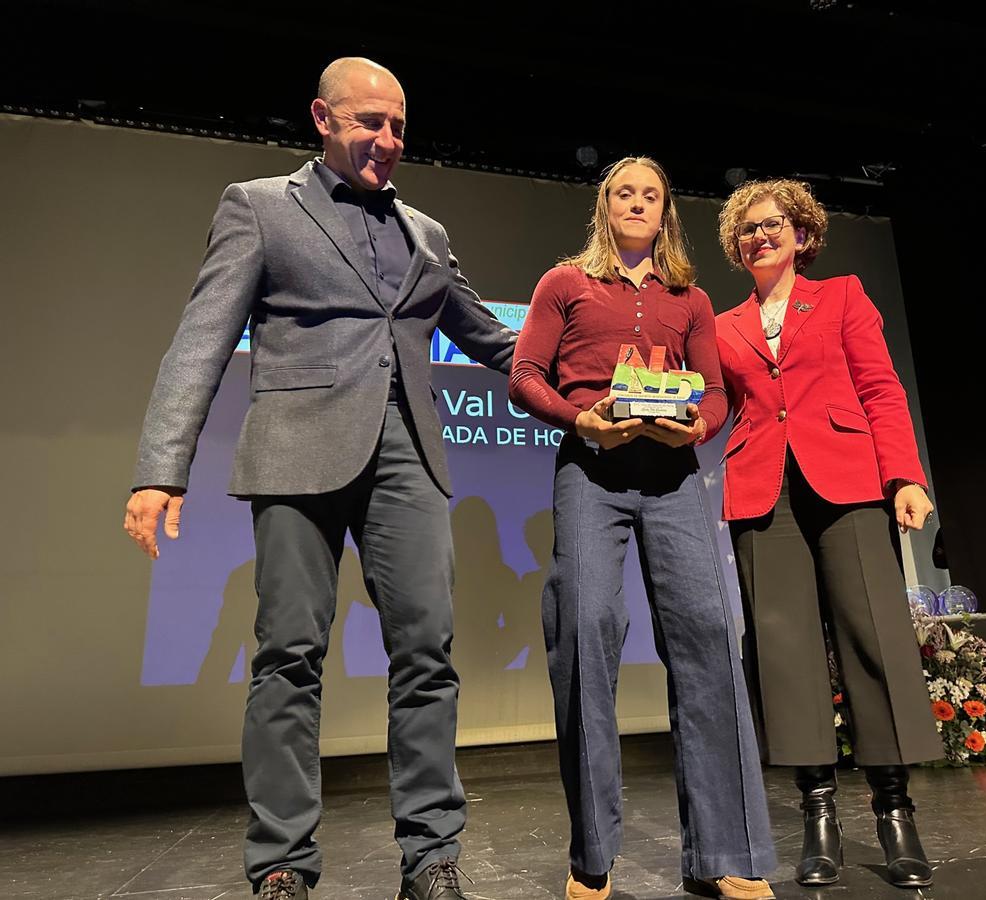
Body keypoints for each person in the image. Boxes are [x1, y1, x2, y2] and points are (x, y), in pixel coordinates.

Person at [123, 57, 516, 900]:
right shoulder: (260, 207)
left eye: (398, 126)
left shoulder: (427, 234)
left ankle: (432, 859)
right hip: (297, 453)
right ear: (322, 118)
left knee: (427, 655)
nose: (386, 139)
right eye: (368, 122)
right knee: (288, 658)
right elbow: (199, 342)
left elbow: (498, 344)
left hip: (409, 452)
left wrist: (607, 388)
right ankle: (282, 864)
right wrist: (161, 470)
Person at [510, 157, 777, 900]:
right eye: (624, 192)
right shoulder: (563, 283)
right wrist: (581, 418)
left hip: (671, 476)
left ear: (664, 214)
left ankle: (724, 855)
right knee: (588, 629)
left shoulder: (689, 298)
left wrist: (693, 428)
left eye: (650, 195)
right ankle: (591, 856)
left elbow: (716, 395)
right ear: (605, 206)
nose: (637, 203)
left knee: (710, 636)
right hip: (590, 471)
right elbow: (526, 374)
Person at [714, 179, 943, 889]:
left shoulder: (841, 295)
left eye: (773, 224)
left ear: (802, 234)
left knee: (873, 637)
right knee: (785, 654)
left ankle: (895, 814)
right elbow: (713, 407)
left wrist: (904, 475)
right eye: (748, 229)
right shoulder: (724, 326)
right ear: (738, 245)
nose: (760, 235)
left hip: (847, 482)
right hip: (763, 492)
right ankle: (818, 816)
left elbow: (880, 387)